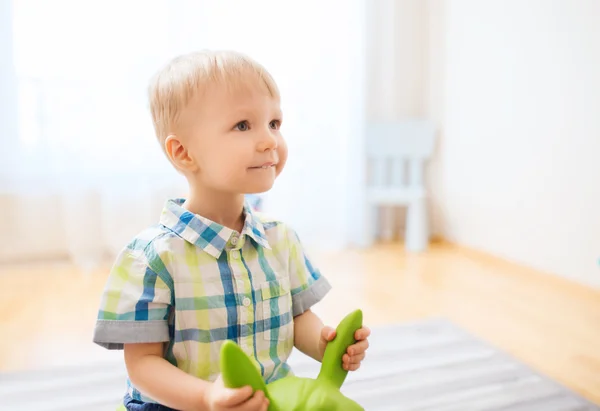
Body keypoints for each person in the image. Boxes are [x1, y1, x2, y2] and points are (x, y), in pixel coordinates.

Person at [93, 50, 371, 411]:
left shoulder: (279, 239)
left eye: (274, 123)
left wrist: (324, 343)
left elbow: (296, 317)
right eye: (243, 125)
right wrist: (207, 397)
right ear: (183, 153)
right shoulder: (152, 258)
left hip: (267, 398)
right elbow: (143, 365)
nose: (270, 140)